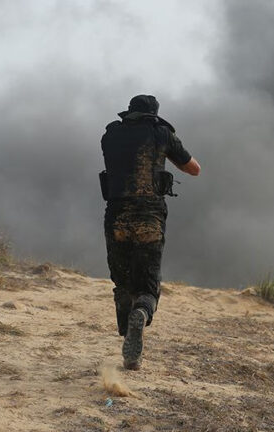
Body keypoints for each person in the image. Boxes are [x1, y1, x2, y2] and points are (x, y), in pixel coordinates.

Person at [99, 95, 200, 370]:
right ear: (153, 115)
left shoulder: (110, 135)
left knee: (123, 283)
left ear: (129, 112)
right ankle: (141, 316)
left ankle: (129, 347)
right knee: (147, 287)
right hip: (150, 217)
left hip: (116, 216)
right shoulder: (161, 133)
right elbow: (194, 169)